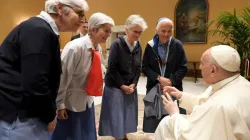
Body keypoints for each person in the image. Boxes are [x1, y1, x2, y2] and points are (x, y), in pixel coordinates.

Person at [0, 0, 88, 140]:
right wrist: (49, 115)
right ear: (60, 8)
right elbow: (36, 84)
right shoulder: (38, 30)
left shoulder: (41, 29)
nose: (82, 20)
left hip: (24, 113)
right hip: (21, 117)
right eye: (79, 13)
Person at [154, 45, 250, 140]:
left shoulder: (219, 105)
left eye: (202, 64)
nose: (200, 67)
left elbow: (189, 136)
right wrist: (181, 96)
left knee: (166, 125)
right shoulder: (241, 83)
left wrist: (174, 113)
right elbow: (205, 102)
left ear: (213, 70)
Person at [50, 12, 114, 140]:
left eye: (110, 31)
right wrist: (60, 104)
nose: (108, 35)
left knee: (85, 134)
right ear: (94, 29)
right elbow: (63, 77)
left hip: (87, 100)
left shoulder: (97, 48)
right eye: (106, 31)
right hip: (70, 104)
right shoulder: (75, 48)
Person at [98, 15, 148, 140]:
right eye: (135, 32)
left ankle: (124, 135)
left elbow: (138, 67)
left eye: (140, 32)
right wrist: (122, 85)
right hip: (115, 85)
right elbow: (112, 68)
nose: (137, 35)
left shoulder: (138, 45)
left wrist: (134, 84)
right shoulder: (117, 44)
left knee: (127, 114)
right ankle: (118, 137)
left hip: (130, 86)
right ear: (126, 30)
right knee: (116, 115)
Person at [142, 17, 188, 133]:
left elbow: (184, 67)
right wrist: (158, 78)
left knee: (173, 121)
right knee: (155, 123)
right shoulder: (150, 45)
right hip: (154, 87)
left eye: (169, 31)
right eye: (163, 31)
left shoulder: (177, 45)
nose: (166, 34)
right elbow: (145, 67)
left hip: (173, 87)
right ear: (156, 30)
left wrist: (171, 81)